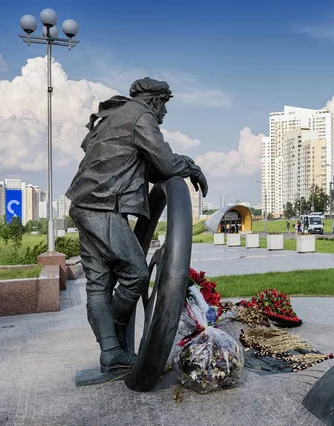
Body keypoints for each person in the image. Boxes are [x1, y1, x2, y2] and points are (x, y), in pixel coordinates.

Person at [67, 77, 208, 372]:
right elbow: (166, 163)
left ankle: (110, 354)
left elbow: (147, 166)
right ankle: (117, 339)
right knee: (136, 273)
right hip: (102, 207)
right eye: (165, 105)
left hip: (83, 203)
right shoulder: (141, 117)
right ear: (155, 101)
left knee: (99, 284)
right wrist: (192, 167)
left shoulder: (115, 115)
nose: (165, 114)